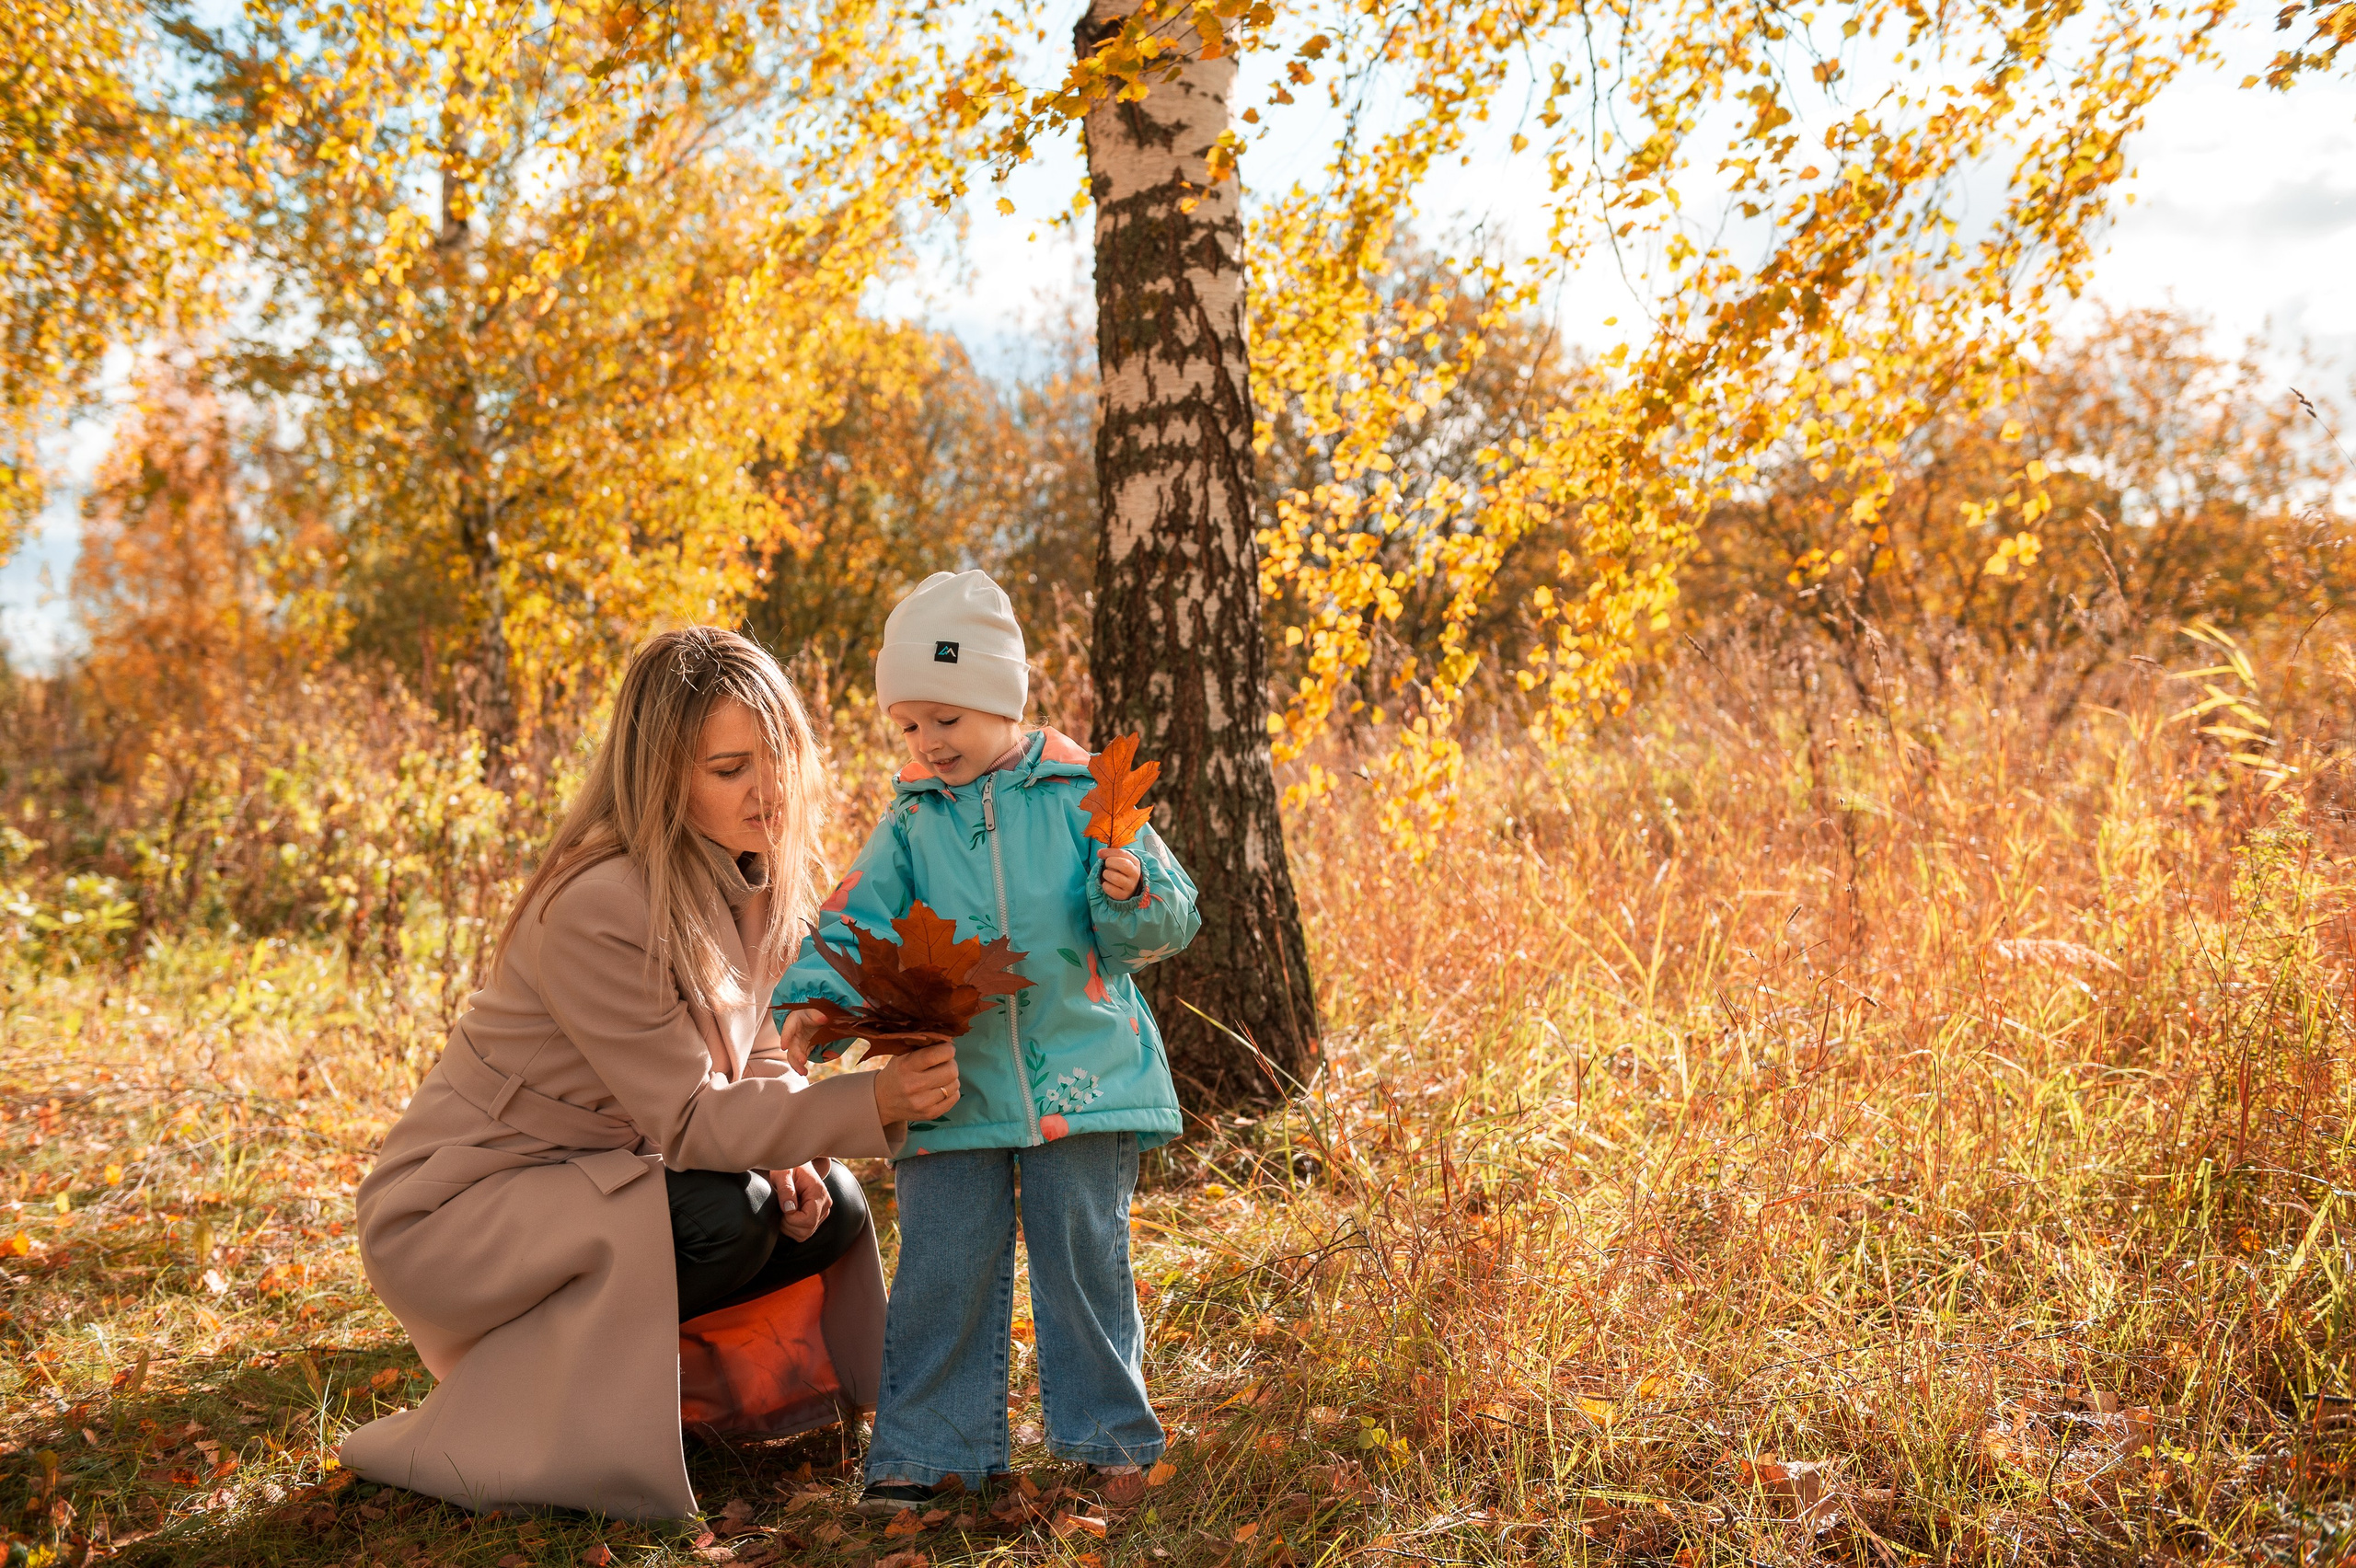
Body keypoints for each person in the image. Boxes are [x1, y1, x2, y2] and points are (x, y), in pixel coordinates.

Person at [341, 628, 962, 1520]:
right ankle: (533, 1419)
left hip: (604, 1180)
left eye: (779, 755)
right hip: (463, 1210)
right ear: (662, 776)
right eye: (729, 767)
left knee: (824, 1209)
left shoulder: (749, 879)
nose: (768, 790)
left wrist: (796, 1140)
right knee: (730, 1217)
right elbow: (689, 1121)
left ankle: (724, 1406)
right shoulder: (597, 902)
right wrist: (871, 1101)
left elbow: (754, 1062)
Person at [773, 570, 1201, 1514]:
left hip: (1081, 1081)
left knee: (1085, 1267)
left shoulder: (1091, 793)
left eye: (946, 719)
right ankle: (932, 1449)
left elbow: (1165, 926)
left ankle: (1108, 1439)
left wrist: (1130, 894)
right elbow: (852, 920)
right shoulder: (913, 820)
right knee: (942, 1266)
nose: (928, 743)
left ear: (1000, 699)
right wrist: (805, 1003)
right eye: (910, 726)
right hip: (947, 1085)